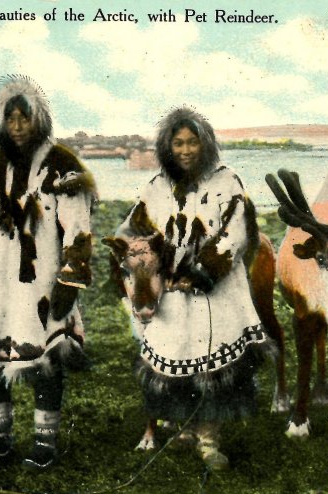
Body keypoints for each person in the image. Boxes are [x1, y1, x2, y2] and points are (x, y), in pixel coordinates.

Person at [0, 75, 96, 469]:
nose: (17, 126)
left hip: (41, 280)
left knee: (45, 355)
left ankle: (45, 442)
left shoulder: (61, 164)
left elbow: (78, 226)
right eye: (9, 118)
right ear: (0, 122)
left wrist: (70, 276)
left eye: (23, 118)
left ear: (39, 119)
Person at [114, 107, 270, 471]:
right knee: (177, 357)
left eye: (192, 142)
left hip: (213, 292)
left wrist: (205, 270)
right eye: (178, 143)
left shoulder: (226, 181)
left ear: (205, 144)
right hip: (171, 293)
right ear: (168, 147)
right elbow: (131, 230)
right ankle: (184, 427)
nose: (185, 150)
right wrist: (138, 258)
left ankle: (209, 440)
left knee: (211, 363)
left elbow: (238, 231)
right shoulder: (156, 187)